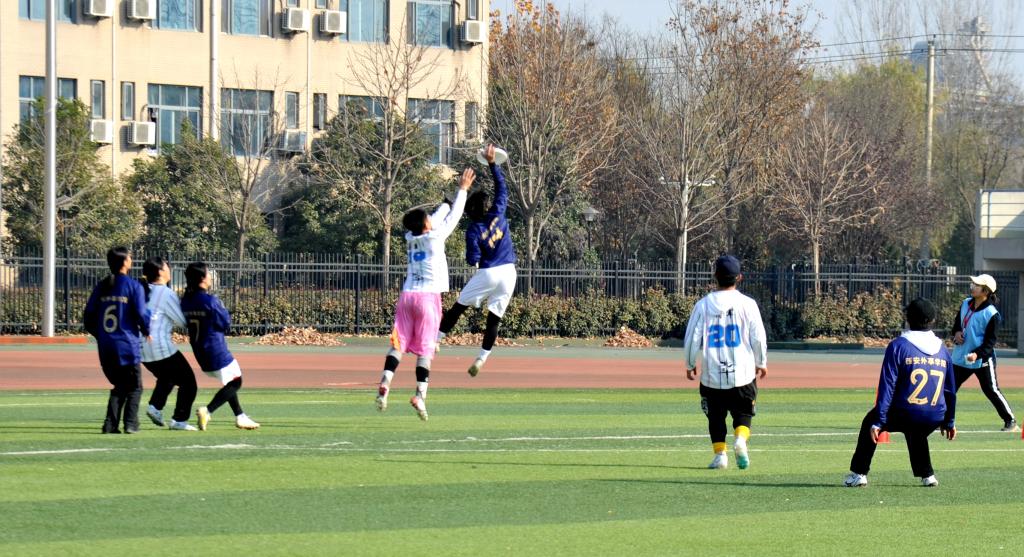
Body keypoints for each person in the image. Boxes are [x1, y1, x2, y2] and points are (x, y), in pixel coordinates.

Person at [375, 168, 474, 420]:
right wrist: (462, 191)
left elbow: (435, 219)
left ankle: (385, 383)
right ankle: (420, 395)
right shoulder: (435, 238)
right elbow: (453, 218)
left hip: (407, 296)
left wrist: (444, 205)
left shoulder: (411, 237)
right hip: (428, 299)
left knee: (398, 344)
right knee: (425, 350)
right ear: (426, 225)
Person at [844, 298, 957, 487]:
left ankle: (859, 474)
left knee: (870, 422)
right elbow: (950, 390)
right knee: (916, 429)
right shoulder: (943, 350)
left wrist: (879, 420)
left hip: (906, 412)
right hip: (935, 416)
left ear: (907, 318)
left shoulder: (898, 346)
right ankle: (928, 475)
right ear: (933, 320)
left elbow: (887, 385)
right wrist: (949, 421)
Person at [436, 144, 517, 377]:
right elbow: (502, 187)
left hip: (489, 272)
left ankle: (437, 339)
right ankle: (482, 358)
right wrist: (492, 164)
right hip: (509, 273)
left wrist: (478, 255)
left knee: (459, 307)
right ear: (487, 206)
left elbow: (472, 259)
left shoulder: (473, 230)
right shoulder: (498, 211)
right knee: (494, 319)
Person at [683, 255, 767, 470]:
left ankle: (720, 455)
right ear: (739, 277)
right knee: (744, 412)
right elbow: (758, 337)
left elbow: (692, 337)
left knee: (715, 417)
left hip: (712, 374)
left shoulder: (703, 305)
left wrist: (690, 363)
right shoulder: (748, 304)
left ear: (715, 276)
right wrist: (761, 361)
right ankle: (740, 439)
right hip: (743, 373)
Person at [180, 262, 260, 430]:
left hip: (199, 350)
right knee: (236, 382)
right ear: (202, 278)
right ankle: (208, 411)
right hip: (215, 348)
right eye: (208, 273)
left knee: (229, 380)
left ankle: (240, 416)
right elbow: (225, 323)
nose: (211, 276)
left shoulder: (186, 301)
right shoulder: (210, 300)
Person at [83, 247, 151, 434]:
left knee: (120, 385)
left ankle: (110, 425)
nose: (132, 259)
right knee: (135, 386)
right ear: (125, 262)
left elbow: (88, 316)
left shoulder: (102, 285)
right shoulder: (133, 285)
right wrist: (147, 330)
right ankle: (131, 424)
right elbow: (141, 313)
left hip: (106, 347)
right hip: (126, 345)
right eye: (130, 257)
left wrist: (101, 335)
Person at [950, 274, 1017, 432]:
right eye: (973, 283)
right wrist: (957, 333)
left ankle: (1010, 420)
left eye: (977, 285)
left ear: (985, 291)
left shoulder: (992, 314)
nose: (972, 286)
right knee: (949, 389)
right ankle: (943, 421)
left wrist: (976, 355)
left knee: (991, 390)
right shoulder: (966, 303)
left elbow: (989, 343)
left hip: (982, 360)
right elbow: (956, 325)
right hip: (960, 357)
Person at [139, 257, 199, 431]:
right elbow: (182, 321)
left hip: (140, 348)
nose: (169, 269)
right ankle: (179, 420)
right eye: (167, 267)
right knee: (189, 382)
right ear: (160, 272)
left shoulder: (140, 290)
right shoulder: (165, 293)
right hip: (158, 345)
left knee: (168, 377)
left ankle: (155, 407)